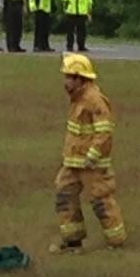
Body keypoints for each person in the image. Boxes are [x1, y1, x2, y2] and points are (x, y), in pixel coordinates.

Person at [53, 53, 125, 252]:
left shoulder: (94, 100)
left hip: (91, 164)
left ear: (80, 78)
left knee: (101, 200)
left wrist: (92, 155)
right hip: (73, 162)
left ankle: (116, 242)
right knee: (64, 194)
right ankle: (72, 240)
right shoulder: (77, 98)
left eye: (69, 77)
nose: (65, 82)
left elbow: (104, 131)